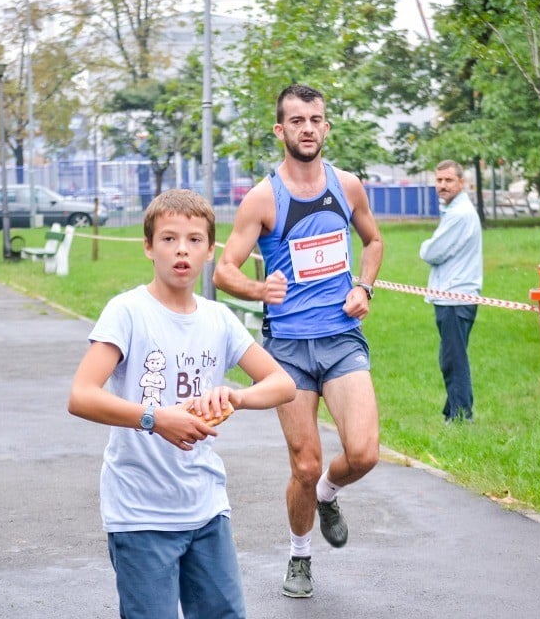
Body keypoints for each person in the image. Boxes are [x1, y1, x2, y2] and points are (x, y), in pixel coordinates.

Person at [68, 188, 296, 619]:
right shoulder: (128, 312)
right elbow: (82, 395)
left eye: (194, 240)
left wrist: (236, 396)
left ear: (211, 250)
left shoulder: (219, 319)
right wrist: (154, 419)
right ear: (148, 247)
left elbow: (282, 383)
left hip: (207, 509)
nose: (181, 250)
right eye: (169, 239)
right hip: (140, 514)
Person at [213, 83, 384, 599]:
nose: (307, 128)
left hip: (341, 339)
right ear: (280, 129)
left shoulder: (348, 186)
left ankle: (330, 495)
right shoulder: (264, 198)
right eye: (297, 120)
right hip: (287, 348)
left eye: (316, 119)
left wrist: (364, 286)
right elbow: (223, 271)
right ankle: (300, 555)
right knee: (304, 465)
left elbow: (374, 241)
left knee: (365, 453)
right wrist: (257, 286)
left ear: (325, 127)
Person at [419, 160, 483, 424]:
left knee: (453, 360)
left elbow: (432, 252)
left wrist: (424, 246)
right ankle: (452, 412)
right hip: (452, 295)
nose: (442, 186)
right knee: (452, 357)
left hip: (455, 297)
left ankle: (460, 416)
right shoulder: (454, 210)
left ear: (461, 183)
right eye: (439, 180)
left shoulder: (459, 214)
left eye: (448, 181)